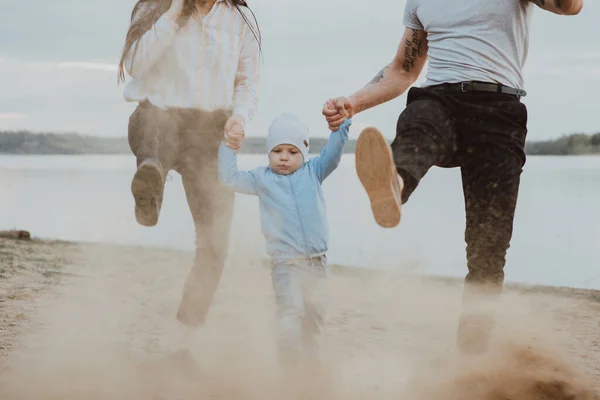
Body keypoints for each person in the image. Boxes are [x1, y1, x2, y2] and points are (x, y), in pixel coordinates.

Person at [322, 0, 583, 354]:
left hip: (499, 112)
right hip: (440, 99)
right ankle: (394, 185)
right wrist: (353, 102)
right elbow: (403, 70)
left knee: (487, 250)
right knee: (419, 122)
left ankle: (471, 356)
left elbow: (570, 7)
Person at [117, 0, 262, 333]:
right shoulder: (153, 8)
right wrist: (173, 11)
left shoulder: (240, 19)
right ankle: (150, 182)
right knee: (153, 129)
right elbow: (136, 66)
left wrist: (239, 117)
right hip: (158, 118)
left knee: (215, 243)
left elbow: (247, 82)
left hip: (211, 132)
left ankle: (185, 337)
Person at [218, 112, 352, 369]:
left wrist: (342, 124)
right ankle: (288, 361)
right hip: (285, 263)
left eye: (292, 151)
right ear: (269, 152)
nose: (283, 157)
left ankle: (311, 364)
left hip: (317, 262)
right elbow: (229, 179)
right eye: (277, 150)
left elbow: (333, 154)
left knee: (314, 315)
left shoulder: (314, 171)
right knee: (291, 311)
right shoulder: (261, 179)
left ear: (303, 152)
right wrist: (229, 148)